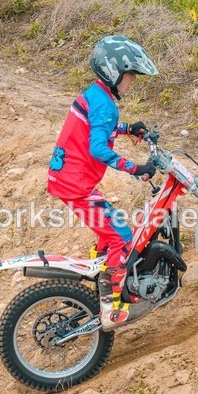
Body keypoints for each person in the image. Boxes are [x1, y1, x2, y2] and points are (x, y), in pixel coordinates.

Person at [47, 35, 159, 331]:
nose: (133, 80)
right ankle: (112, 308)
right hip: (76, 185)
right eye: (130, 74)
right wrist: (136, 168)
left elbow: (96, 126)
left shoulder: (97, 95)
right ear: (113, 72)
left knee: (110, 229)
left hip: (68, 179)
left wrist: (125, 129)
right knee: (121, 237)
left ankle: (101, 282)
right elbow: (98, 148)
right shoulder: (106, 105)